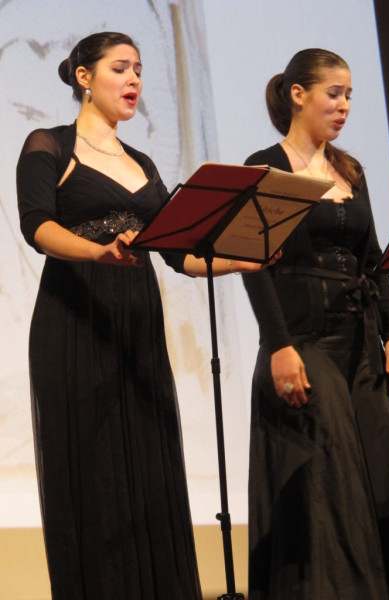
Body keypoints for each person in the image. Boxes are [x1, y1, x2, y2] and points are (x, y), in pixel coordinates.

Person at [16, 31, 273, 600]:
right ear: (84, 77)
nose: (134, 79)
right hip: (75, 322)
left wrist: (240, 261)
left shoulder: (143, 162)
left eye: (138, 69)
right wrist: (97, 251)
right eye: (120, 68)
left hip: (137, 330)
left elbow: (180, 255)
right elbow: (37, 226)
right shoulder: (48, 144)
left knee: (148, 467)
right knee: (94, 473)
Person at [242, 48, 389, 600]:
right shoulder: (265, 166)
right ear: (298, 94)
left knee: (382, 470)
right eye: (334, 93)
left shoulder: (349, 170)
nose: (345, 105)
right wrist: (280, 346)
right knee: (329, 481)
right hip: (303, 338)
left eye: (350, 95)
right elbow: (251, 265)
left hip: (360, 340)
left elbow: (372, 258)